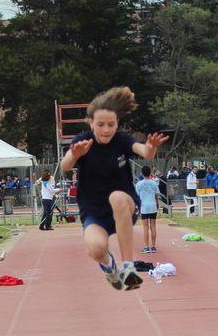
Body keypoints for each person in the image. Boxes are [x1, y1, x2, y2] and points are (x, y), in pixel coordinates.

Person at [60, 86, 169, 291]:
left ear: (117, 122)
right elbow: (65, 166)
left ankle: (128, 268)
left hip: (124, 207)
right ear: (91, 122)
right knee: (97, 250)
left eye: (111, 124)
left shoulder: (122, 140)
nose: (106, 130)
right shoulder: (83, 141)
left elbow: (145, 152)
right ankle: (110, 268)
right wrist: (75, 154)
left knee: (117, 197)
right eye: (100, 124)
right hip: (94, 212)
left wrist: (152, 146)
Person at [135, 165, 159, 254]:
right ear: (150, 173)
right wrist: (156, 203)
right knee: (153, 226)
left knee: (145, 227)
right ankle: (153, 246)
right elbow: (157, 195)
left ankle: (146, 247)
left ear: (142, 173)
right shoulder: (154, 183)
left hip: (144, 206)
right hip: (152, 205)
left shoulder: (138, 184)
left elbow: (137, 197)